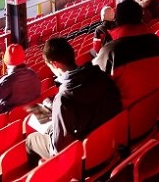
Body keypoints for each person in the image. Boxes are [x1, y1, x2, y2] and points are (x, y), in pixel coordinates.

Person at [25, 38, 122, 166]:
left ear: (54, 64)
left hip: (84, 160)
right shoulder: (99, 74)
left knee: (31, 140)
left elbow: (59, 150)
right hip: (109, 144)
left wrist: (51, 129)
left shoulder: (63, 99)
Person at [95, 0, 159, 107]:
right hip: (155, 107)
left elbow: (96, 86)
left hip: (127, 116)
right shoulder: (156, 41)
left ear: (117, 21)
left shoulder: (111, 51)